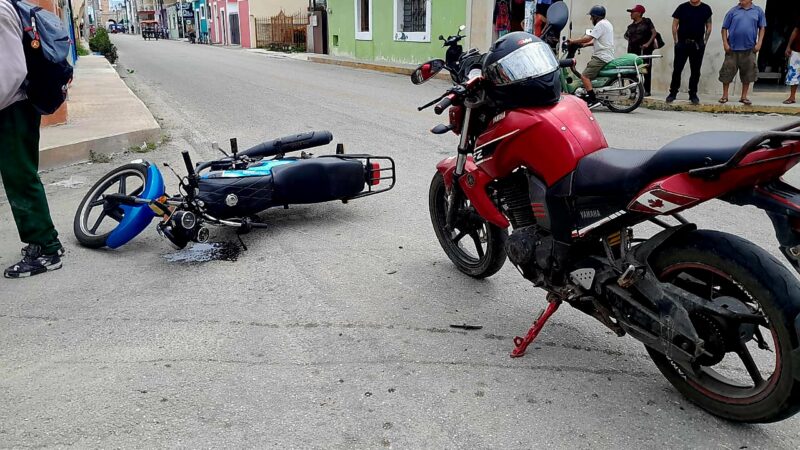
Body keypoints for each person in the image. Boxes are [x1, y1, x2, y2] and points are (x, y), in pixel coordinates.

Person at [0, 0, 64, 278]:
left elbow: (11, 72)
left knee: (20, 177)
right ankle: (46, 239)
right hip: (12, 106)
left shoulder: (0, 12)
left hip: (12, 107)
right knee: (20, 176)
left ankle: (46, 248)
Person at [719, 0, 766, 105]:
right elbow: (724, 28)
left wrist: (759, 43)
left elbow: (762, 27)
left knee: (748, 73)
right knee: (727, 72)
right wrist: (725, 43)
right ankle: (725, 96)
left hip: (749, 48)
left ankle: (744, 97)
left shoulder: (758, 11)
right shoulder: (733, 11)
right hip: (732, 48)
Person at [567, 5, 614, 106]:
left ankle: (592, 99)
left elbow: (588, 38)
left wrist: (573, 41)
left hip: (601, 56)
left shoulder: (600, 25)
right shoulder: (607, 23)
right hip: (606, 54)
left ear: (596, 17)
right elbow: (600, 41)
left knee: (585, 76)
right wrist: (585, 45)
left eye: (592, 16)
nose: (591, 19)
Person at [624, 4, 656, 96]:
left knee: (645, 70)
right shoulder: (630, 26)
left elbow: (654, 33)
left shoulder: (647, 22)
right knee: (631, 71)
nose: (631, 14)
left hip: (644, 51)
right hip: (632, 51)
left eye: (632, 12)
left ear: (639, 13)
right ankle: (633, 89)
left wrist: (647, 43)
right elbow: (626, 36)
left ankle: (646, 90)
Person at [784, 19, 800, 104]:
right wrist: (788, 46)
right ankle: (792, 97)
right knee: (793, 73)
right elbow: (795, 30)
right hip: (797, 50)